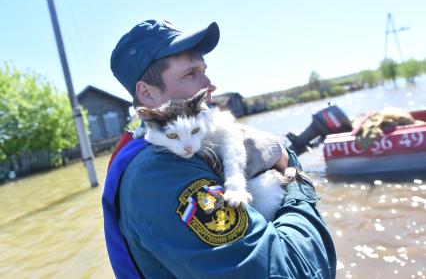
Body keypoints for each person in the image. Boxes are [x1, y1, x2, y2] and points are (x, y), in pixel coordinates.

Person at [102, 19, 337, 279]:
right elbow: (295, 272)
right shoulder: (157, 174)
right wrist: (295, 178)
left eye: (204, 70)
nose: (210, 84)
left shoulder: (172, 148)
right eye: (191, 74)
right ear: (147, 94)